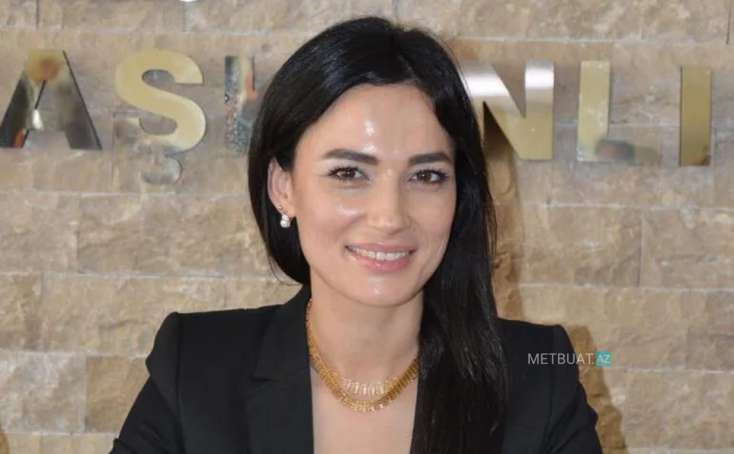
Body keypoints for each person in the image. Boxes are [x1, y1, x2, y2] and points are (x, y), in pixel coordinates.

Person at [109, 16, 603, 454]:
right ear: (284, 187)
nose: (389, 216)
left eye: (426, 176)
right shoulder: (196, 367)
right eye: (349, 173)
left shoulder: (540, 380)